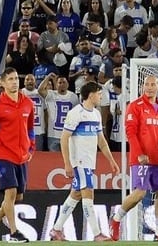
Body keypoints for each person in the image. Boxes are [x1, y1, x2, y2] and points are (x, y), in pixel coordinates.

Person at [111, 74, 158, 241]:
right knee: (140, 193)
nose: (149, 87)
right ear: (142, 86)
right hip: (141, 159)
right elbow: (130, 132)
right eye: (147, 84)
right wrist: (139, 153)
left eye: (153, 84)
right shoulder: (135, 106)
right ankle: (116, 219)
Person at [51, 81, 119, 241]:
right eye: (99, 94)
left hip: (89, 160)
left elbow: (101, 140)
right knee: (88, 194)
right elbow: (64, 138)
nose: (101, 97)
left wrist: (111, 160)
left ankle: (56, 229)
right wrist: (67, 163)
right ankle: (97, 234)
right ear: (91, 95)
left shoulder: (96, 114)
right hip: (80, 161)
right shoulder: (76, 113)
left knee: (76, 194)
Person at [0, 67, 36, 243]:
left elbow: (30, 129)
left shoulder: (28, 103)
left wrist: (31, 149)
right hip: (4, 155)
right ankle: (14, 232)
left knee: (17, 197)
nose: (14, 82)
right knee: (10, 193)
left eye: (16, 78)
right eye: (10, 79)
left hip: (22, 156)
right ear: (2, 83)